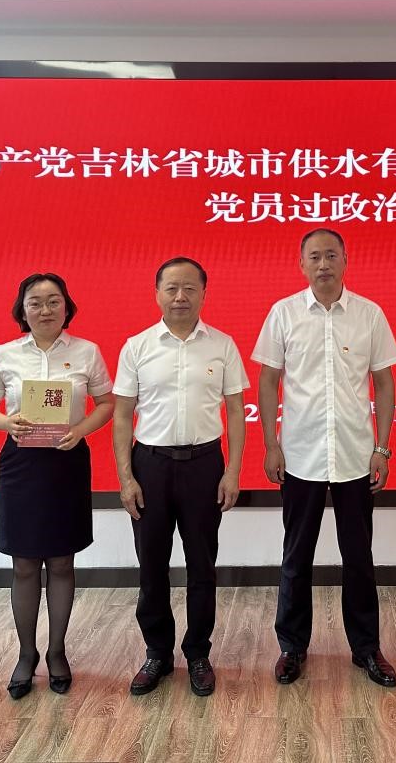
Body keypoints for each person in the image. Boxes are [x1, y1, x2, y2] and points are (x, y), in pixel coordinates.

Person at [253, 228, 396, 688]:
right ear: (301, 264)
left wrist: (382, 447)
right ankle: (292, 647)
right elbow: (268, 381)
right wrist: (271, 444)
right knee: (296, 557)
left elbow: (384, 383)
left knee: (359, 557)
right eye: (315, 256)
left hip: (356, 455)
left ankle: (366, 648)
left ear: (345, 260)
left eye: (331, 255)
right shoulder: (283, 313)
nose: (323, 264)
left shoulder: (369, 314)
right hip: (300, 455)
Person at [0, 273, 113, 699]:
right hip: (21, 464)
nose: (45, 309)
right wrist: (6, 421)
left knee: (62, 561)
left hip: (67, 461)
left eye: (54, 301)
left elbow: (107, 403)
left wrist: (81, 429)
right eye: (35, 302)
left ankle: (56, 651)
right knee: (24, 563)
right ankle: (25, 653)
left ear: (67, 307)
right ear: (23, 310)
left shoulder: (87, 351)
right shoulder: (5, 354)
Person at [113, 257, 248, 697]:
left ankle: (198, 654)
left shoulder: (222, 345)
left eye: (190, 288)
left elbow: (235, 412)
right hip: (149, 466)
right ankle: (157, 653)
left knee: (201, 566)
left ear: (204, 294)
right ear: (157, 294)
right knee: (151, 566)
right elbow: (122, 415)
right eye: (171, 288)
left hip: (205, 465)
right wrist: (126, 477)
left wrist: (232, 471)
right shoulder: (137, 346)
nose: (180, 297)